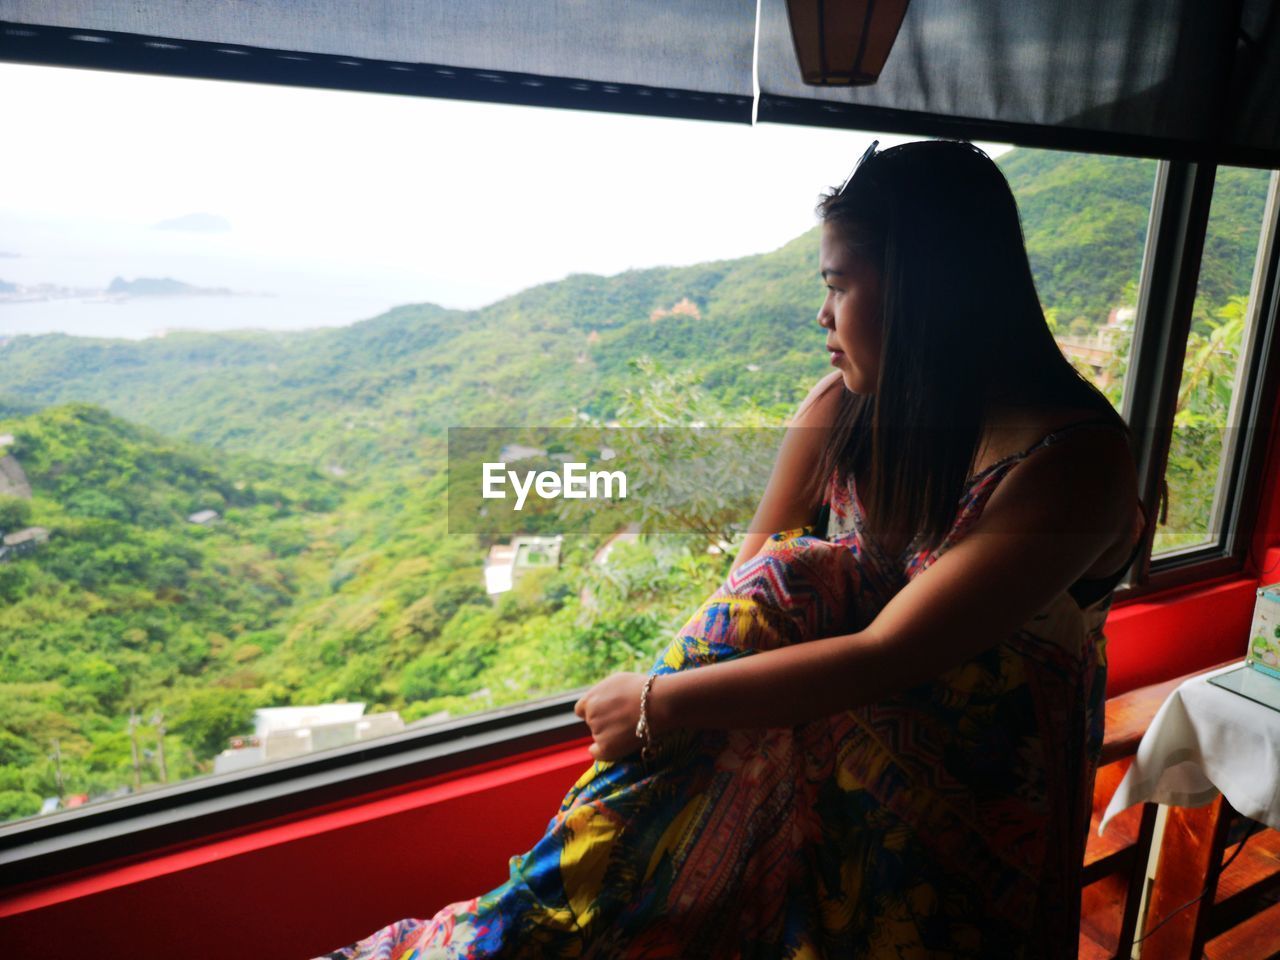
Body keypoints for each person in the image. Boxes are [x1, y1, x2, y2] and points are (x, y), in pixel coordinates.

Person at [316, 140, 1145, 959]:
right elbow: (750, 589)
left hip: (979, 809)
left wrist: (656, 703)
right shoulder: (845, 408)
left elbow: (888, 654)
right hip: (825, 787)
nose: (823, 315)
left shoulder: (1071, 466)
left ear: (929, 292)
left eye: (839, 284)